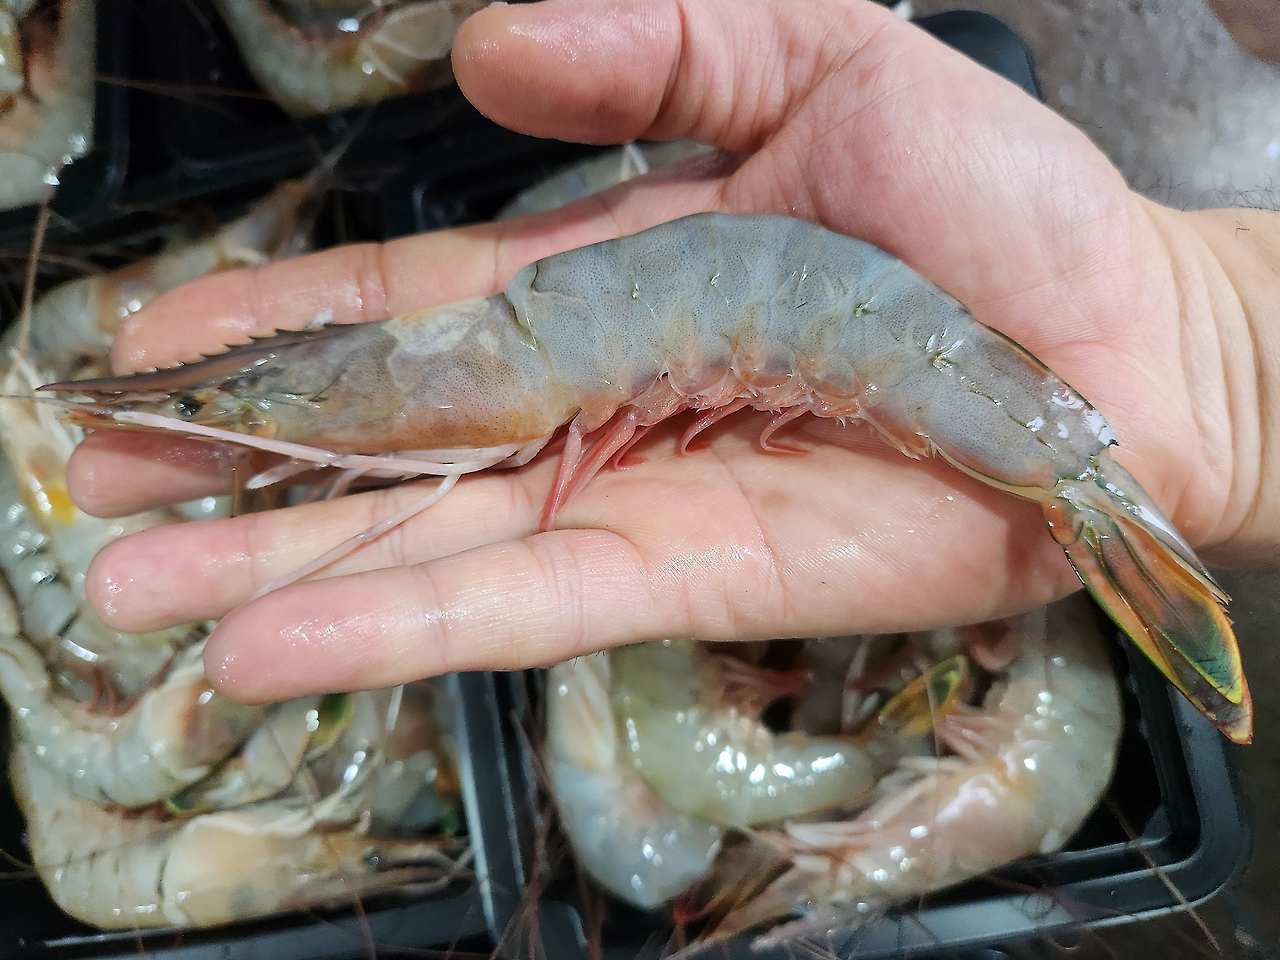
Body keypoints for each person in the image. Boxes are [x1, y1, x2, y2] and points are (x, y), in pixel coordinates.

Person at [65, 0, 1279, 705]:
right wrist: (1217, 354)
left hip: (850, 324)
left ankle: (1093, 490)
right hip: (773, 318)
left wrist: (1214, 350)